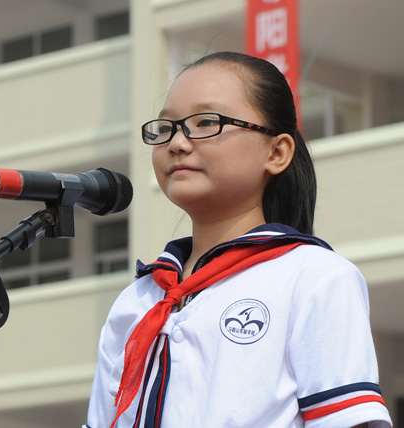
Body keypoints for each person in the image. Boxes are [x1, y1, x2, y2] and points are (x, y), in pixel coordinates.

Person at [84, 51, 392, 428]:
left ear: (276, 152)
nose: (177, 143)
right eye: (166, 127)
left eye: (206, 122)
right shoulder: (138, 299)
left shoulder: (314, 277)